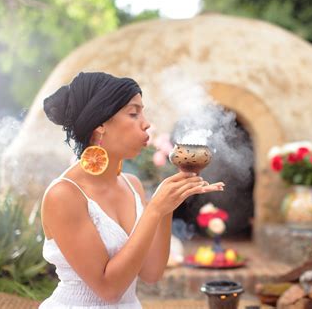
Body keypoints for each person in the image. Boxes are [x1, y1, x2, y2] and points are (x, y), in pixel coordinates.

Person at [39, 72, 224, 308]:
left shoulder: (131, 184)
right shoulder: (64, 195)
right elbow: (108, 289)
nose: (146, 123)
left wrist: (168, 207)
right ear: (100, 125)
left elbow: (151, 273)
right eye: (133, 113)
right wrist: (155, 209)